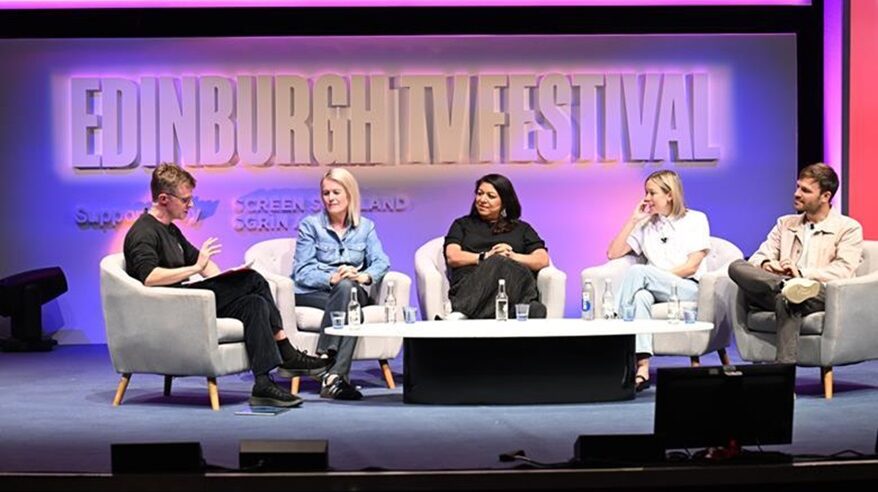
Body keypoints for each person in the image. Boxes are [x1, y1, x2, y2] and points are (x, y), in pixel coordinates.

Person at [123, 163, 330, 408]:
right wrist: (196, 270)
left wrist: (226, 280)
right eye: (185, 199)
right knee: (252, 279)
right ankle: (286, 352)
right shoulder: (143, 232)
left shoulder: (171, 230)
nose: (190, 205)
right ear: (164, 199)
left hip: (189, 301)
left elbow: (202, 262)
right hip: (172, 306)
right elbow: (150, 278)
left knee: (253, 303)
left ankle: (263, 384)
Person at [728, 163, 863, 363]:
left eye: (805, 190)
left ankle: (784, 374)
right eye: (798, 187)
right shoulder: (785, 223)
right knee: (737, 266)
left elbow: (843, 271)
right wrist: (767, 265)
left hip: (820, 292)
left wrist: (801, 273)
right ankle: (785, 285)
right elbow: (758, 256)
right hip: (780, 287)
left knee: (789, 298)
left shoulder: (848, 228)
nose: (797, 193)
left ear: (825, 196)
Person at [607, 170, 711, 392]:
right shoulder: (645, 224)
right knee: (642, 297)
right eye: (646, 192)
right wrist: (633, 220)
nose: (646, 198)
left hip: (688, 287)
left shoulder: (695, 219)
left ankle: (612, 323)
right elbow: (613, 253)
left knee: (639, 273)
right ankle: (642, 368)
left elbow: (692, 265)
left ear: (670, 195)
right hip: (654, 289)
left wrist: (656, 277)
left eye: (651, 193)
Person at [293, 168, 391, 401]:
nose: (331, 198)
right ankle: (335, 377)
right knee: (350, 302)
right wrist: (331, 278)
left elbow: (382, 261)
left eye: (336, 192)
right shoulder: (310, 225)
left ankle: (326, 362)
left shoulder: (366, 227)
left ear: (349, 194)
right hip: (315, 292)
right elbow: (301, 271)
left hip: (353, 290)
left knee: (349, 290)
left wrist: (363, 276)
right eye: (326, 193)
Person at [444, 174, 550, 320]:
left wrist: (511, 256)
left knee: (537, 310)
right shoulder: (462, 225)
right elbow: (452, 256)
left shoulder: (522, 229)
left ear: (505, 202)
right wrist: (485, 257)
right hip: (470, 288)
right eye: (479, 194)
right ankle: (463, 311)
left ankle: (466, 315)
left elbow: (542, 259)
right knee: (497, 262)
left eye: (491, 196)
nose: (482, 200)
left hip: (510, 291)